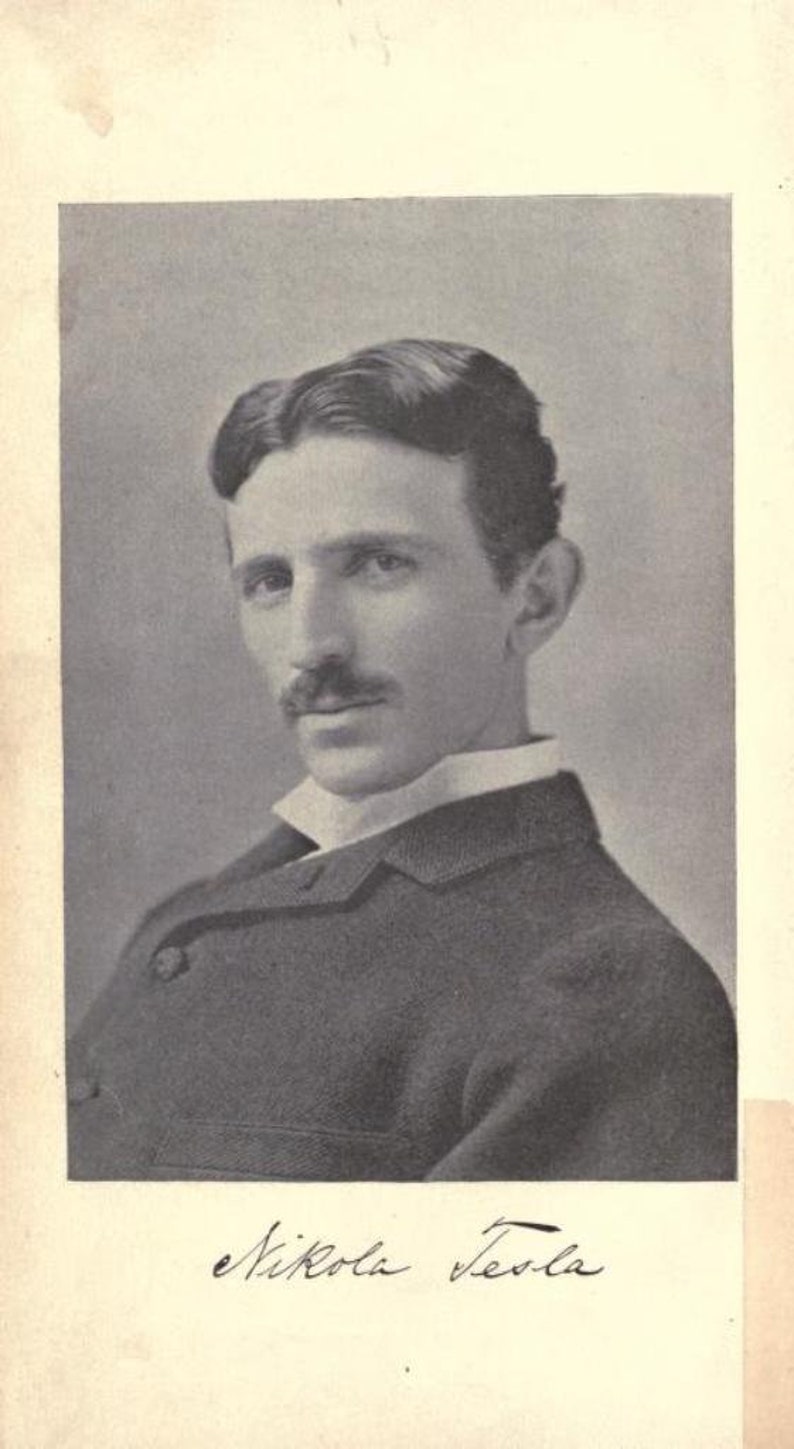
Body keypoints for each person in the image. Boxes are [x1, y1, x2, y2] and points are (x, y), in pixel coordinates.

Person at [67, 339, 736, 1181]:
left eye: (380, 564)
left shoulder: (609, 987)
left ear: (535, 598)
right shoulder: (189, 913)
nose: (312, 644)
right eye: (270, 580)